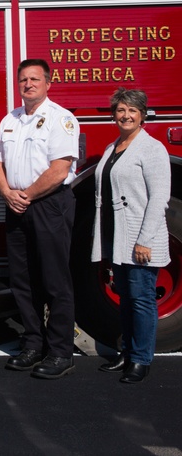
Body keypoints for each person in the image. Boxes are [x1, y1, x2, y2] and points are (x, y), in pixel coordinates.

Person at [0, 59, 79, 380]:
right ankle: (32, 343)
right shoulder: (9, 120)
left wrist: (25, 194)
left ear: (48, 83)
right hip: (15, 205)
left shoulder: (61, 119)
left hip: (48, 205)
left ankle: (60, 352)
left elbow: (59, 169)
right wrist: (7, 193)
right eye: (23, 80)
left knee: (54, 281)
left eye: (35, 79)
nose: (28, 84)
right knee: (22, 280)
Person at [91, 88, 171, 384]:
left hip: (139, 239)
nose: (125, 115)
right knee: (125, 298)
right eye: (121, 110)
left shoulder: (151, 148)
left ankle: (141, 360)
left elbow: (160, 197)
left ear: (142, 115)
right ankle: (126, 352)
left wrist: (144, 240)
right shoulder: (115, 146)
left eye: (132, 111)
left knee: (141, 299)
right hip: (118, 237)